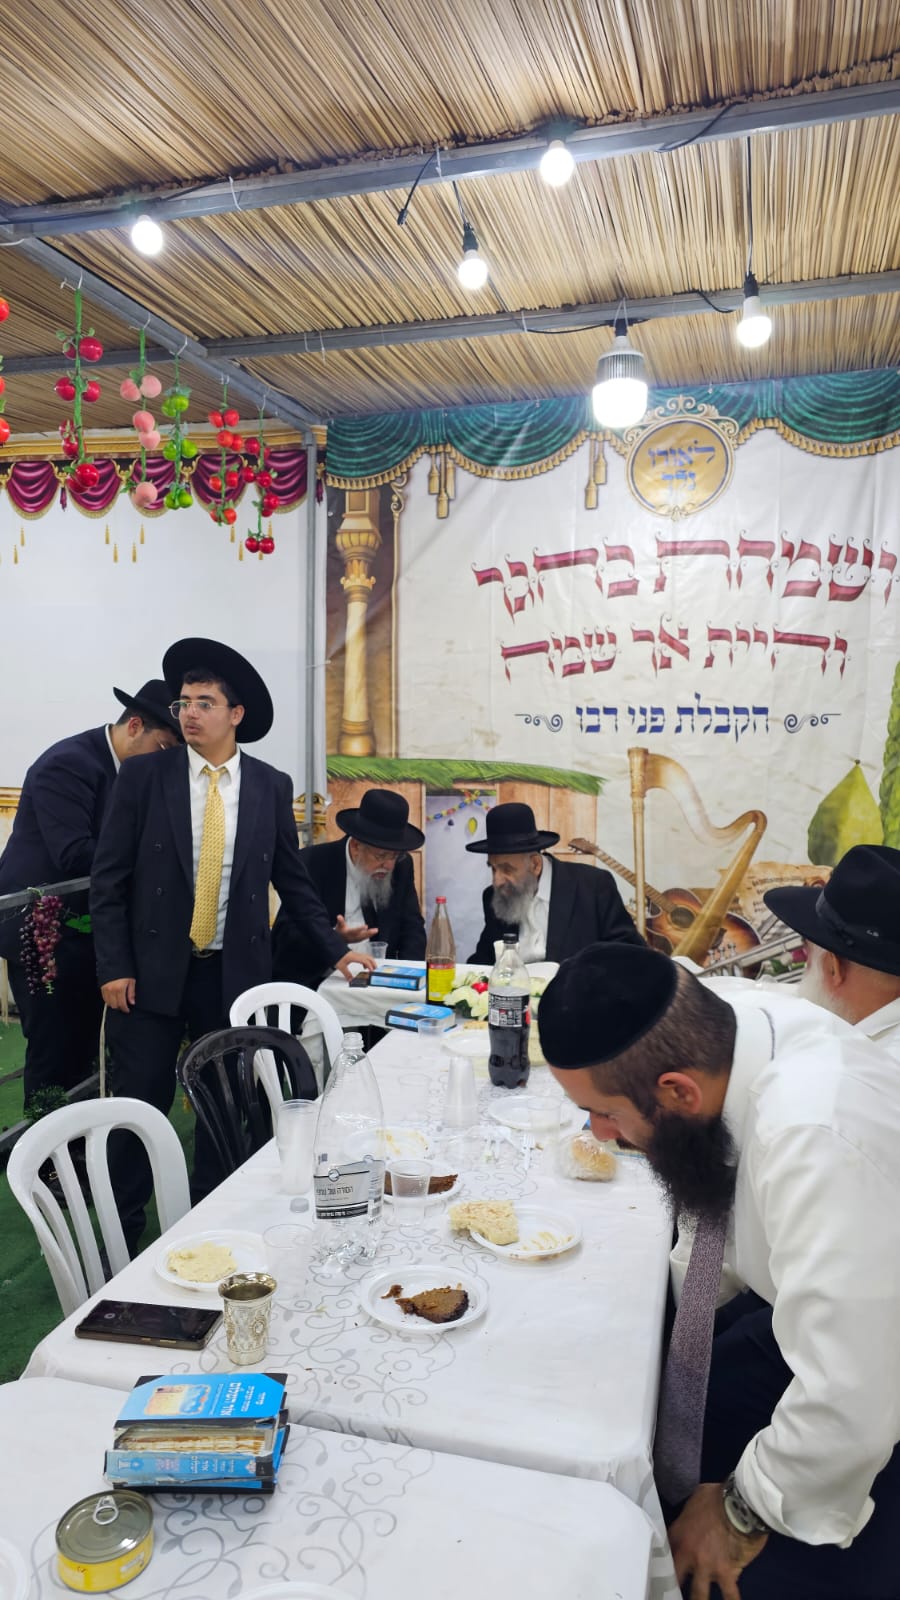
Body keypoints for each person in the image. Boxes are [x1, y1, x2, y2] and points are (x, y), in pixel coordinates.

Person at [538, 941, 900, 1600]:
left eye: (607, 1113)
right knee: (652, 1416)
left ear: (677, 1091)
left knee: (694, 1573)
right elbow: (715, 1231)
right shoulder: (728, 1031)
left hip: (877, 1380)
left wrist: (738, 1513)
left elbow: (854, 1394)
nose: (597, 1134)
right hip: (825, 1319)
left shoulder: (814, 1134)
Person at [91, 638, 373, 1246]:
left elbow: (292, 882)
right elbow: (109, 878)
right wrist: (113, 964)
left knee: (225, 1103)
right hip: (148, 970)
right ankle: (123, 1238)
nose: (189, 713)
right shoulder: (144, 776)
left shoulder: (269, 785)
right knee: (139, 1105)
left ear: (235, 714)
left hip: (230, 974)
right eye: (183, 702)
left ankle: (212, 1228)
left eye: (205, 703)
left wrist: (336, 950)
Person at [0, 679, 180, 1108]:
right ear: (134, 726)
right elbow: (74, 853)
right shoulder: (68, 764)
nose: (165, 764)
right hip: (39, 930)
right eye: (162, 749)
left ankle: (80, 1137)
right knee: (52, 1046)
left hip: (87, 931)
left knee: (83, 1045)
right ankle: (42, 1143)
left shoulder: (136, 776)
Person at [272, 788, 426, 986]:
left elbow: (412, 928)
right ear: (356, 846)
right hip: (319, 982)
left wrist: (407, 978)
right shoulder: (312, 863)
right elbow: (286, 937)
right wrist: (333, 938)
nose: (389, 865)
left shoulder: (402, 866)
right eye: (381, 856)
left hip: (379, 980)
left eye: (395, 856)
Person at [465, 801, 641, 964]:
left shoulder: (593, 887)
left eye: (507, 869)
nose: (497, 881)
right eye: (493, 868)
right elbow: (484, 962)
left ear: (535, 864)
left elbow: (630, 954)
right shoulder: (494, 897)